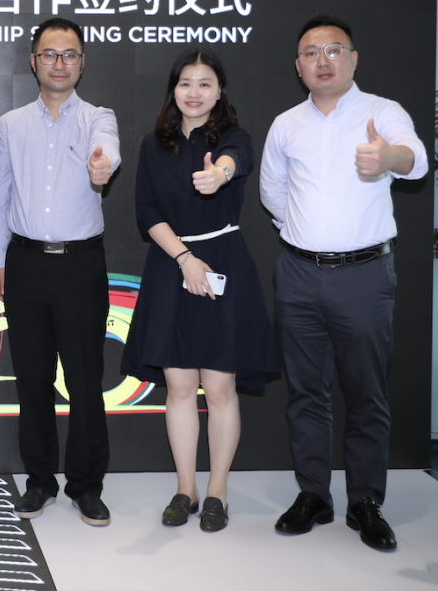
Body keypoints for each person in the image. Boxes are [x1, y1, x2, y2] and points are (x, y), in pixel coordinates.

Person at [260, 15, 428, 550]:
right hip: (298, 274)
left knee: (366, 393)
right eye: (311, 53)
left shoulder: (382, 112)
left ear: (353, 59)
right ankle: (314, 494)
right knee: (306, 392)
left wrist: (388, 158)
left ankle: (365, 501)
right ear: (299, 67)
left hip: (364, 276)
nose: (323, 60)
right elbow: (272, 191)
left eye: (334, 50)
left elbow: (416, 161)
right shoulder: (286, 124)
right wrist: (306, 235)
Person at [120, 48, 281, 533]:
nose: (194, 92)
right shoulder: (154, 145)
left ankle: (218, 491)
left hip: (223, 263)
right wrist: (185, 259)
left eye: (205, 83)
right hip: (172, 264)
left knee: (220, 387)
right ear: (173, 89)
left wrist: (219, 174)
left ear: (219, 91)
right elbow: (147, 212)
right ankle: (186, 489)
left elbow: (235, 161)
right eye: (185, 83)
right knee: (179, 386)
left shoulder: (234, 137)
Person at [0, 17, 119, 528]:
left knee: (85, 381)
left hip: (80, 265)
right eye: (49, 54)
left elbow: (107, 151)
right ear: (34, 61)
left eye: (69, 54)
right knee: (33, 380)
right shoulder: (11, 124)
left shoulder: (97, 117)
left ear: (82, 62)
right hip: (24, 264)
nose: (59, 63)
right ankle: (40, 480)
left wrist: (103, 166)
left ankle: (86, 485)